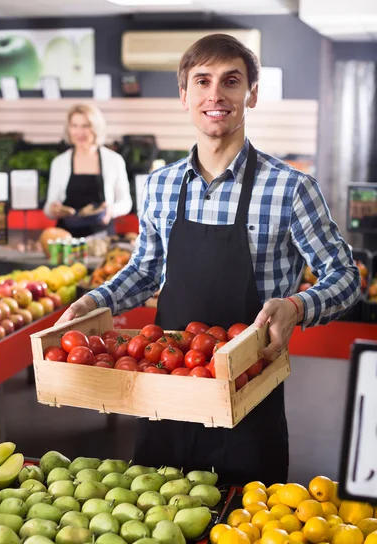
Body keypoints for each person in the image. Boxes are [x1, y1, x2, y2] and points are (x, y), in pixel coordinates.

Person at [57, 34, 361, 486]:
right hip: (165, 385)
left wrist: (297, 307)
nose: (215, 95)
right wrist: (94, 301)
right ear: (184, 95)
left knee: (246, 537)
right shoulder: (160, 185)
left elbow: (345, 277)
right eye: (202, 81)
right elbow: (144, 269)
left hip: (249, 393)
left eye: (231, 81)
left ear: (251, 94)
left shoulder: (292, 188)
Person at [43, 104, 132, 238]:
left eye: (86, 126)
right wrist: (53, 209)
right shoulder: (59, 162)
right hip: (66, 240)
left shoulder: (114, 160)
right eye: (74, 126)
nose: (80, 132)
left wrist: (110, 211)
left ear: (97, 128)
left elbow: (126, 202)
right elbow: (48, 209)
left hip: (102, 238)